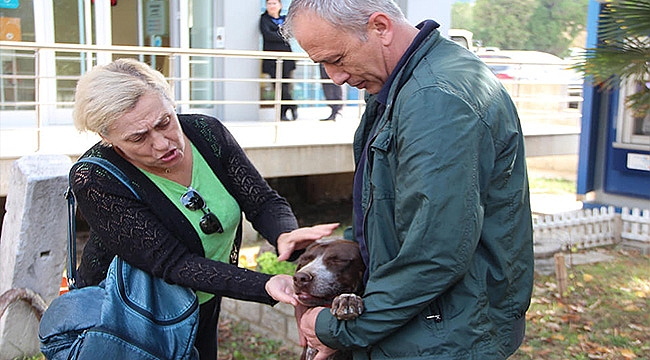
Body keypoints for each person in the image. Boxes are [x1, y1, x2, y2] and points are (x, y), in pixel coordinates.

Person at [278, 0, 535, 358]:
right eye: (322, 64)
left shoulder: (435, 98)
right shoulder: (403, 86)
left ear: (380, 27)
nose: (333, 77)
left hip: (441, 337)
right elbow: (387, 215)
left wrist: (334, 329)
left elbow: (436, 252)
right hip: (427, 327)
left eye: (336, 59)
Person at [70, 58, 336, 359]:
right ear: (107, 138)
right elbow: (173, 262)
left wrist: (284, 232)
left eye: (165, 122)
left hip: (203, 300)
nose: (162, 144)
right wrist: (265, 284)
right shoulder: (96, 179)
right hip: (129, 317)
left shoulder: (205, 132)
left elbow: (261, 200)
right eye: (138, 138)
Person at [260, 0, 297, 121]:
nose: (272, 6)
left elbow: (291, 33)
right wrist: (282, 35)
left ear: (280, 5)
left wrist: (278, 34)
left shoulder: (285, 19)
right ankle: (290, 106)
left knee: (285, 84)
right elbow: (268, 35)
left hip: (286, 58)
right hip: (272, 59)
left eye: (274, 3)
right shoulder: (264, 19)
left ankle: (284, 111)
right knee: (278, 85)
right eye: (269, 4)